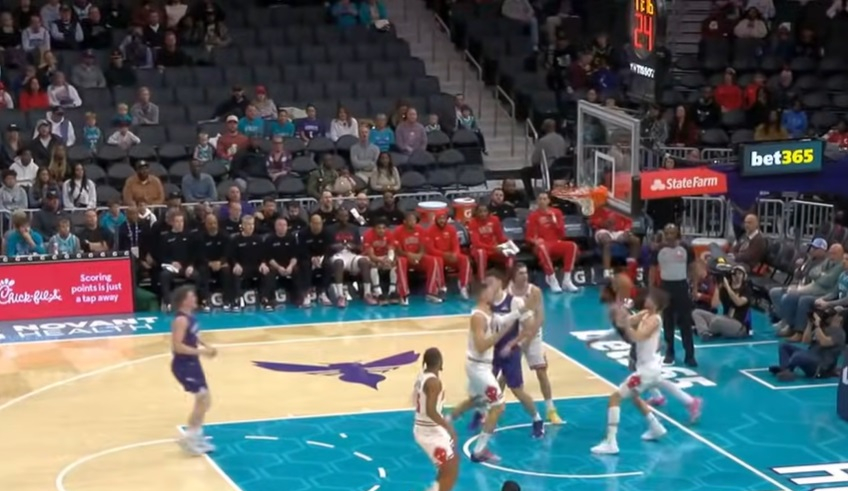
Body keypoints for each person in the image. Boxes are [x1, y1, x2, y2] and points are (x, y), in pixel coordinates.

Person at [446, 270, 535, 463]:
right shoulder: (478, 316)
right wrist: (501, 335)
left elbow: (503, 320)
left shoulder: (489, 311)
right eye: (489, 288)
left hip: (482, 367)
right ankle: (479, 450)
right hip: (478, 368)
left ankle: (446, 422)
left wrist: (522, 309)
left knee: (477, 399)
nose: (493, 291)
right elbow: (481, 346)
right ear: (482, 294)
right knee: (498, 406)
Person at [591, 289, 670, 455]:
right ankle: (656, 427)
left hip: (647, 371)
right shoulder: (645, 314)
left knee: (615, 398)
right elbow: (623, 323)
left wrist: (626, 324)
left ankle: (611, 442)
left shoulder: (655, 320)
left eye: (650, 298)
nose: (646, 299)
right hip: (647, 369)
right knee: (635, 397)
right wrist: (621, 312)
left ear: (656, 304)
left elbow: (637, 336)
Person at [504, 263, 563, 424]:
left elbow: (540, 317)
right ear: (513, 276)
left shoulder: (534, 291)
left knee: (541, 372)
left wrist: (528, 339)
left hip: (534, 335)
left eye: (526, 273)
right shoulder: (507, 292)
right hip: (515, 335)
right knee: (504, 375)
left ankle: (551, 410)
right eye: (521, 273)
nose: (525, 276)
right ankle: (492, 409)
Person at [170, 285, 217, 455]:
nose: (195, 298)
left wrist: (206, 345)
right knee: (202, 398)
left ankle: (195, 435)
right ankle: (190, 438)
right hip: (183, 364)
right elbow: (178, 346)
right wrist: (202, 352)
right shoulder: (180, 320)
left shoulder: (191, 318)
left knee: (206, 400)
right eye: (192, 296)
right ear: (184, 301)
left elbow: (194, 336)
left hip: (193, 363)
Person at [413, 347, 459, 491]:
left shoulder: (423, 376)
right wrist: (448, 427)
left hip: (431, 428)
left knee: (449, 466)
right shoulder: (433, 382)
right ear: (440, 362)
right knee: (449, 470)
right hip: (428, 432)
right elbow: (431, 411)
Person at [655, 224, 697, 367]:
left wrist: (695, 288)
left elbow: (693, 268)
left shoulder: (686, 248)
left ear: (677, 233)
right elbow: (653, 269)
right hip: (665, 287)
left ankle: (690, 355)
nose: (669, 236)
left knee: (685, 321)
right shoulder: (658, 249)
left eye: (672, 233)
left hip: (681, 287)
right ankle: (669, 352)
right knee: (668, 321)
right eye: (667, 233)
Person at [769, 308, 846, 380]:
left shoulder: (840, 333)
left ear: (839, 318)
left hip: (820, 365)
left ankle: (786, 370)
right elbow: (805, 341)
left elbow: (824, 342)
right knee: (784, 347)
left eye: (834, 314)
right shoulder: (823, 328)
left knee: (798, 355)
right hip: (810, 356)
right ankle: (785, 369)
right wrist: (810, 324)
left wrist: (817, 325)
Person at [525, 192, 579, 292]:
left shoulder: (557, 213)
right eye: (540, 199)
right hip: (541, 245)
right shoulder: (533, 216)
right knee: (542, 247)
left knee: (572, 246)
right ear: (537, 201)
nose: (542, 201)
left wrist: (555, 223)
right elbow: (528, 237)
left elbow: (562, 234)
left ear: (549, 201)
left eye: (545, 199)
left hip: (555, 242)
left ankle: (567, 280)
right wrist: (535, 241)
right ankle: (552, 279)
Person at [329, 207, 376, 306]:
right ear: (337, 217)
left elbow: (359, 247)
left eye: (346, 216)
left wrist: (353, 246)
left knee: (364, 261)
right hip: (337, 255)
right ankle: (340, 296)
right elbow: (327, 246)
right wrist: (336, 246)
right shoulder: (330, 229)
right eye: (341, 216)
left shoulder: (354, 228)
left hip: (351, 255)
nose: (344, 218)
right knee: (339, 263)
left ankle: (367, 293)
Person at [693, 265, 752, 339]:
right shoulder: (725, 289)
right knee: (697, 312)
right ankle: (704, 332)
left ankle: (703, 328)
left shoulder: (746, 290)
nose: (736, 276)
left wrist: (727, 286)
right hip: (725, 319)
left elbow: (738, 302)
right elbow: (714, 305)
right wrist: (718, 286)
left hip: (739, 325)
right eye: (734, 273)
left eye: (739, 273)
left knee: (716, 321)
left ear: (744, 276)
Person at [395, 212, 442, 304]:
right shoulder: (398, 231)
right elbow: (398, 251)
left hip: (418, 257)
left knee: (433, 261)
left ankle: (431, 292)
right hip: (405, 257)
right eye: (410, 220)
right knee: (401, 261)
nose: (413, 222)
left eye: (414, 220)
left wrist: (419, 255)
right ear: (404, 221)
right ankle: (403, 294)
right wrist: (409, 255)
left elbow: (423, 246)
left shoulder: (420, 229)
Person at [159, 213, 200, 311]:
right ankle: (168, 302)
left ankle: (197, 301)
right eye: (177, 221)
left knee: (197, 276)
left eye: (181, 221)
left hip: (186, 267)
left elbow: (194, 254)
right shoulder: (166, 237)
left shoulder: (189, 236)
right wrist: (171, 262)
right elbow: (162, 256)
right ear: (172, 223)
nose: (180, 224)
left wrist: (191, 265)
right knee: (164, 275)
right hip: (172, 267)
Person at [227, 215, 269, 311]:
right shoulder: (236, 240)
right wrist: (236, 264)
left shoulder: (258, 239)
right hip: (242, 267)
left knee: (267, 272)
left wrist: (263, 263)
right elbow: (231, 256)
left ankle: (264, 299)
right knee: (235, 274)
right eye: (248, 224)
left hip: (256, 267)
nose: (251, 227)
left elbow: (264, 255)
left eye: (252, 224)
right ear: (243, 226)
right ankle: (237, 299)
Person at [263, 217, 305, 309]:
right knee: (269, 273)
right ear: (275, 227)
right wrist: (278, 267)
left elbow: (295, 256)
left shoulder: (292, 239)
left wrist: (290, 266)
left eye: (284, 225)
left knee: (297, 270)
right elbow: (268, 258)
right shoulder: (269, 239)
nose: (282, 227)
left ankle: (298, 297)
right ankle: (269, 299)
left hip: (288, 265)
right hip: (275, 265)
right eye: (280, 225)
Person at [426, 212, 471, 299]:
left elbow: (456, 245)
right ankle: (441, 288)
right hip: (438, 256)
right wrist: (444, 254)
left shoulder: (451, 229)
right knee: (437, 261)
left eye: (443, 219)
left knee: (464, 259)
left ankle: (463, 286)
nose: (442, 221)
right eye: (440, 219)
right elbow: (430, 250)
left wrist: (455, 254)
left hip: (450, 256)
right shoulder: (430, 230)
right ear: (436, 220)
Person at [468, 204, 516, 282]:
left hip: (493, 248)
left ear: (488, 212)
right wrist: (493, 248)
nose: (483, 214)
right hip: (479, 249)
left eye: (485, 211)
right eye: (480, 211)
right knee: (481, 253)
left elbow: (500, 237)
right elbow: (477, 243)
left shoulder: (495, 220)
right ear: (476, 212)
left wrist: (508, 241)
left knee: (510, 252)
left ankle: (509, 278)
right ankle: (482, 279)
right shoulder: (472, 223)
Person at [297, 214, 335, 307]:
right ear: (310, 224)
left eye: (319, 223)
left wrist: (321, 258)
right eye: (315, 223)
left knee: (328, 265)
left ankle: (323, 292)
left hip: (322, 256)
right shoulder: (302, 233)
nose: (317, 226)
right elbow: (301, 249)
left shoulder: (327, 233)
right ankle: (306, 294)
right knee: (305, 265)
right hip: (307, 257)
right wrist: (311, 258)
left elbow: (330, 249)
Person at [197, 213, 232, 311]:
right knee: (202, 271)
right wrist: (209, 263)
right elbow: (199, 255)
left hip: (220, 263)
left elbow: (227, 253)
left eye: (214, 223)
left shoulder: (225, 236)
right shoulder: (200, 237)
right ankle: (205, 300)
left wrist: (220, 262)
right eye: (210, 223)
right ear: (205, 224)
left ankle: (227, 300)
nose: (212, 225)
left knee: (227, 270)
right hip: (206, 264)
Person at [363, 219, 398, 303]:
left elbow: (391, 249)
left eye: (383, 228)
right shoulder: (368, 235)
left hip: (384, 256)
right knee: (373, 265)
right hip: (369, 256)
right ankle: (378, 292)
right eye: (379, 228)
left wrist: (390, 260)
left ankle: (392, 291)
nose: (381, 230)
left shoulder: (389, 234)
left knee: (395, 264)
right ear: (374, 228)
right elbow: (371, 255)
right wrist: (381, 261)